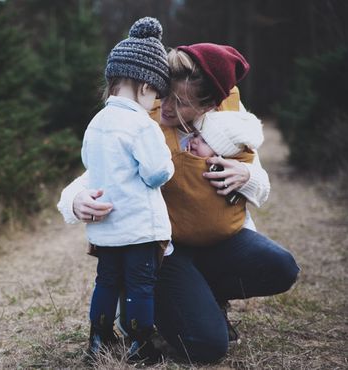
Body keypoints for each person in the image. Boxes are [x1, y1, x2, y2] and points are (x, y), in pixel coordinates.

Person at [57, 43, 300, 363]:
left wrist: (246, 175)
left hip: (220, 242)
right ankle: (164, 301)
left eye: (181, 102)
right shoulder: (143, 117)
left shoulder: (230, 120)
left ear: (209, 104)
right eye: (165, 95)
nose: (166, 107)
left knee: (282, 267)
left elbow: (261, 183)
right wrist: (75, 200)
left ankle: (204, 295)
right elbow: (100, 171)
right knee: (207, 347)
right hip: (164, 251)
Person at [81, 17, 174, 363]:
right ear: (144, 85)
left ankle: (98, 338)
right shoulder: (141, 125)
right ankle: (140, 343)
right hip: (139, 228)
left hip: (106, 229)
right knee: (139, 286)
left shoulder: (96, 123)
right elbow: (156, 173)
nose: (155, 103)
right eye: (156, 95)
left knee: (106, 281)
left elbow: (91, 165)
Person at [167, 110, 264, 247]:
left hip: (228, 234)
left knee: (281, 261)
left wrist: (248, 176)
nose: (194, 141)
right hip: (179, 238)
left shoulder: (231, 165)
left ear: (221, 154)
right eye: (195, 135)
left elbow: (263, 189)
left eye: (205, 141)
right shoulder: (179, 152)